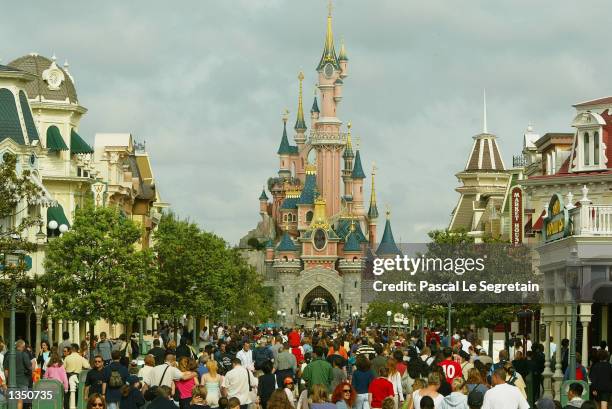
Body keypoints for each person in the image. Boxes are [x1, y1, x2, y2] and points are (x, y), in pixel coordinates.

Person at [3, 340, 32, 409]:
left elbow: (6, 371)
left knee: (12, 401)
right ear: (23, 346)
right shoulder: (24, 355)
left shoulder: (8, 355)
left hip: (11, 383)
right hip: (22, 381)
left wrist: (8, 380)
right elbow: (29, 367)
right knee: (20, 401)